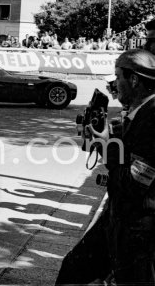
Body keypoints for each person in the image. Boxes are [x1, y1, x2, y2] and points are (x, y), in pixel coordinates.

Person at [56, 49, 155, 285]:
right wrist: (106, 138)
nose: (115, 85)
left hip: (138, 226)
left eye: (117, 77)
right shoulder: (139, 110)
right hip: (120, 216)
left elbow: (134, 182)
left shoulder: (152, 117)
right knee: (74, 269)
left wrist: (107, 146)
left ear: (133, 80)